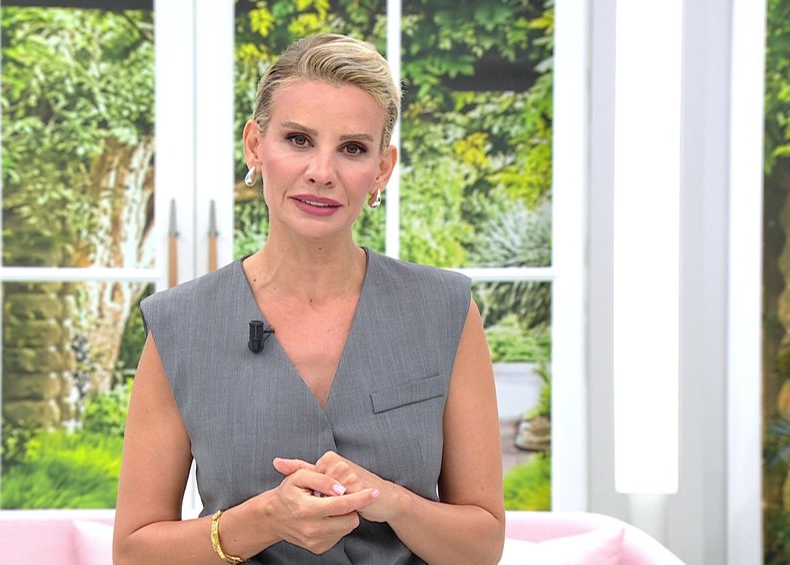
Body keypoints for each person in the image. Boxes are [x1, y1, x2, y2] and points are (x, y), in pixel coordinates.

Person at [113, 33, 505, 564]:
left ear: (382, 168)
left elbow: (483, 546)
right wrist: (264, 520)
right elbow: (133, 553)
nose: (322, 172)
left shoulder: (445, 310)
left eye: (352, 149)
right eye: (298, 139)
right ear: (256, 146)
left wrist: (393, 503)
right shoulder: (180, 324)